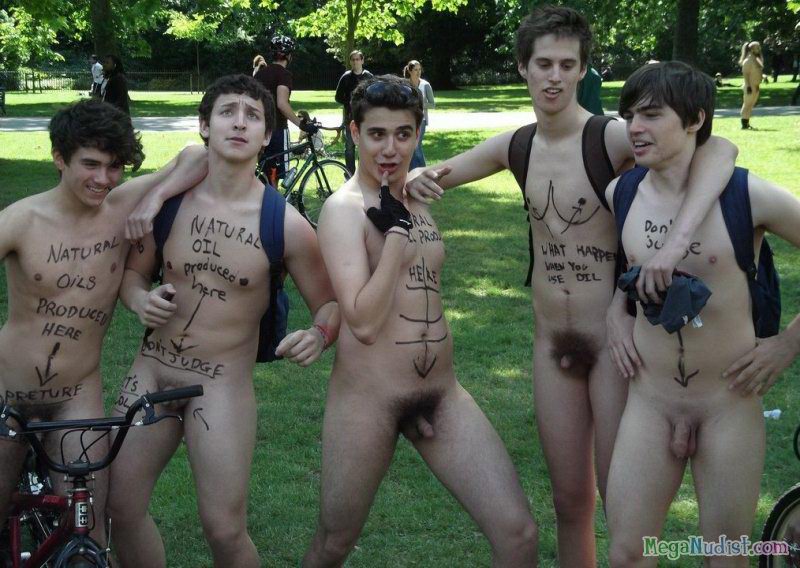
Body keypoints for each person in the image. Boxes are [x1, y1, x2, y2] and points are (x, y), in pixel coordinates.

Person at [405, 6, 737, 565]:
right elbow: (432, 175)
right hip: (550, 345)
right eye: (543, 64)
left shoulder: (610, 137)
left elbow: (719, 150)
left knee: (621, 506)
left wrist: (676, 243)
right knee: (569, 501)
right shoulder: (515, 145)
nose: (554, 77)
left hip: (615, 347)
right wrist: (417, 176)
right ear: (523, 67)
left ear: (583, 69)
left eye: (567, 64)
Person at [302, 74, 538, 568]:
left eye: (403, 134)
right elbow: (363, 323)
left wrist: (406, 204)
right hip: (369, 399)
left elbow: (498, 151)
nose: (390, 149)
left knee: (518, 536)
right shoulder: (344, 211)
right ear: (354, 133)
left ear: (417, 134)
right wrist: (395, 236)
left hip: (441, 393)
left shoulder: (415, 195)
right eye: (377, 134)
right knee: (334, 544)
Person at [106, 74, 339, 568]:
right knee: (118, 508)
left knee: (225, 530)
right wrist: (139, 300)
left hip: (221, 387)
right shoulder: (169, 205)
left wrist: (318, 334)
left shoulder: (285, 224)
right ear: (205, 126)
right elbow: (133, 274)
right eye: (227, 112)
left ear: (266, 134)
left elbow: (330, 304)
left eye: (253, 116)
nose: (239, 123)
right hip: (151, 372)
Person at [605, 61, 800, 566]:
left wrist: (788, 343)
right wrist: (616, 312)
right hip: (649, 403)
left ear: (695, 119)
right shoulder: (620, 193)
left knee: (725, 558)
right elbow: (621, 271)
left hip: (727, 405)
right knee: (627, 554)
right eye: (630, 116)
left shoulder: (747, 195)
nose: (635, 128)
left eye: (651, 115)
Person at [0, 98, 209, 546]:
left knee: (87, 530)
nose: (103, 179)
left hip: (76, 398)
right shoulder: (20, 220)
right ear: (59, 158)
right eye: (90, 164)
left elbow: (198, 155)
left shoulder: (122, 207)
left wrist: (154, 199)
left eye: (114, 166)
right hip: (8, 393)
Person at [254, 34, 318, 183]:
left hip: (259, 128)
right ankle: (273, 198)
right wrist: (301, 124)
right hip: (277, 129)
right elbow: (282, 104)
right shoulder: (283, 74)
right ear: (289, 56)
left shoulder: (260, 74)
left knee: (265, 172)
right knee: (275, 175)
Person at [334, 49, 373, 174]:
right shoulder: (346, 77)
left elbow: (375, 95)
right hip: (350, 118)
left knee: (364, 147)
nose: (355, 62)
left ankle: (362, 172)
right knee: (349, 148)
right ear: (350, 62)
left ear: (362, 60)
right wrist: (350, 101)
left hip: (365, 118)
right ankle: (349, 173)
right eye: (353, 60)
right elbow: (338, 97)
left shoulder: (369, 77)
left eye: (358, 59)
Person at [404, 60, 434, 170]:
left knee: (416, 146)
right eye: (416, 70)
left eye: (419, 69)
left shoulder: (425, 85)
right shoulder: (404, 84)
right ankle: (412, 172)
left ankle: (423, 171)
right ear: (410, 71)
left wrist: (419, 103)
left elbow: (432, 104)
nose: (418, 72)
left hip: (421, 120)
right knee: (410, 146)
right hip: (407, 120)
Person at [739, 40, 764, 129]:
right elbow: (745, 74)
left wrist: (763, 77)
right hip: (750, 86)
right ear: (751, 49)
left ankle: (747, 123)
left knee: (751, 105)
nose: (759, 49)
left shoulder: (756, 60)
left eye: (759, 47)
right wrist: (748, 86)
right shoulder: (748, 61)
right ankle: (744, 124)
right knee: (747, 105)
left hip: (756, 86)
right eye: (757, 48)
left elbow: (759, 70)